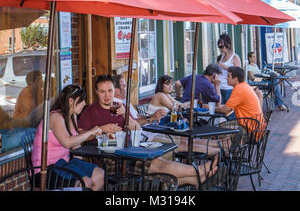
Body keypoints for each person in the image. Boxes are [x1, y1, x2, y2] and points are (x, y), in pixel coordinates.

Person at [78, 75, 218, 188]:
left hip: (129, 151)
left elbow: (137, 129)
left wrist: (124, 115)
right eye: (102, 92)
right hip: (109, 159)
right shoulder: (90, 111)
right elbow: (80, 136)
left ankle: (196, 180)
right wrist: (101, 130)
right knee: (155, 164)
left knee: (157, 163)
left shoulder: (119, 108)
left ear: (114, 91)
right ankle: (199, 171)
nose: (107, 95)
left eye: (110, 91)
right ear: (96, 92)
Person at [32, 84, 104, 191]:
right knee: (85, 182)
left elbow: (75, 146)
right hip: (46, 169)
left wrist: (79, 166)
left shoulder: (72, 115)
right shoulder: (55, 117)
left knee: (99, 174)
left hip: (63, 163)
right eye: (82, 100)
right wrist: (91, 132)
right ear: (71, 100)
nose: (84, 104)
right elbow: (68, 143)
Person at [217, 34, 241, 104]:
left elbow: (239, 73)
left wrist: (225, 67)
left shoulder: (235, 57)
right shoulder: (221, 57)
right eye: (219, 47)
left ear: (228, 45)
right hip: (220, 87)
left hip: (229, 88)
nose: (220, 49)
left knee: (230, 110)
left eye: (222, 46)